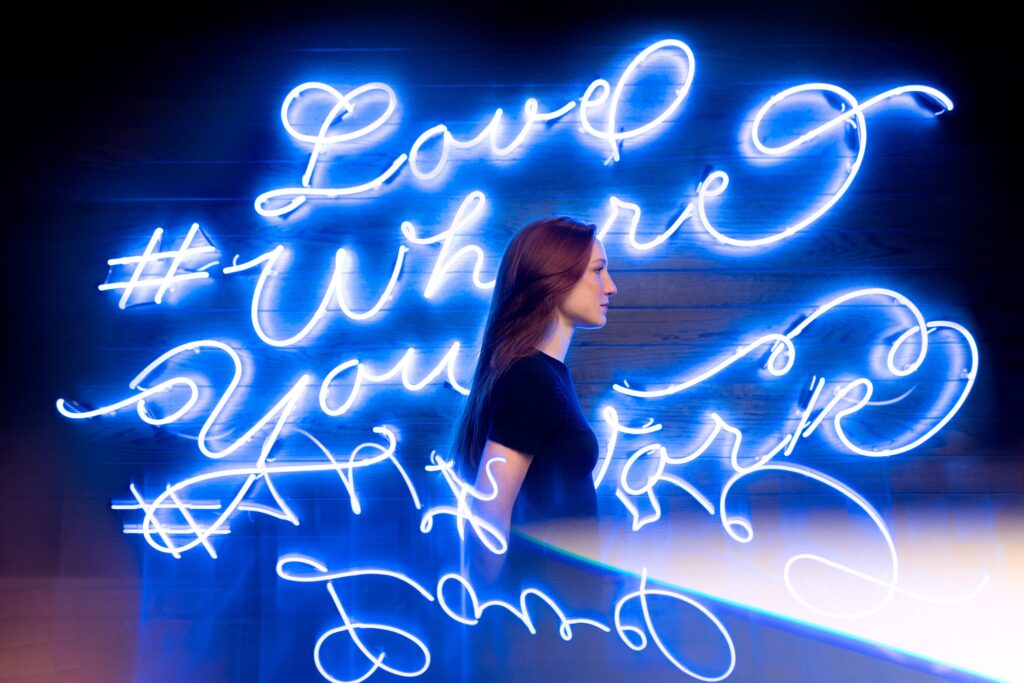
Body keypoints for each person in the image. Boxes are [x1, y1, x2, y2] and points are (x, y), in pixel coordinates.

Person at [451, 216, 617, 574]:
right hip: (542, 613)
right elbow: (487, 520)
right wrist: (498, 618)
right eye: (598, 270)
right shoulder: (530, 379)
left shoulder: (546, 374)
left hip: (561, 610)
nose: (611, 287)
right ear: (555, 279)